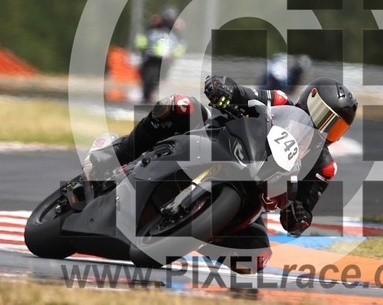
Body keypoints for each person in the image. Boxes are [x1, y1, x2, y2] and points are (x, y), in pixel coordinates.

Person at [83, 75, 358, 272]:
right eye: (324, 115)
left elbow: (303, 212)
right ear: (309, 98)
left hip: (252, 194)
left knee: (256, 258)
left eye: (334, 126)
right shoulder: (278, 101)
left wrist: (297, 215)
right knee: (180, 105)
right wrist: (224, 88)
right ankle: (114, 155)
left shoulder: (323, 167)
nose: (324, 128)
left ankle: (196, 231)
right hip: (217, 140)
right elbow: (244, 95)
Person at [134, 8, 186, 102]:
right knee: (142, 65)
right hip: (151, 51)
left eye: (170, 20)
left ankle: (153, 89)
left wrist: (173, 54)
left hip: (166, 54)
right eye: (167, 19)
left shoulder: (176, 28)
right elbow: (146, 31)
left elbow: (181, 42)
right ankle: (145, 87)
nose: (168, 21)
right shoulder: (156, 23)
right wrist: (142, 47)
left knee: (165, 70)